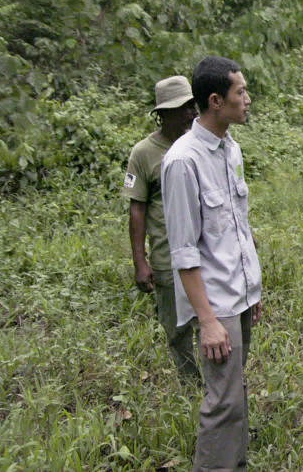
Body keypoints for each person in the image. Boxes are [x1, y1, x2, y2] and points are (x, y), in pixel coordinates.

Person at [162, 56, 262, 472]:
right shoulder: (183, 161)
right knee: (221, 401)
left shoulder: (230, 148)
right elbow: (184, 251)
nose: (248, 100)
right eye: (241, 92)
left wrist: (252, 290)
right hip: (215, 305)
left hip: (238, 296)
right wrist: (207, 320)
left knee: (235, 393)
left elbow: (236, 226)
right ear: (216, 101)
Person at [122, 75, 200, 383]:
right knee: (177, 329)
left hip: (202, 252)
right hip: (167, 258)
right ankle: (191, 385)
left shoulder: (199, 144)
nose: (189, 114)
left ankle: (216, 388)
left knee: (210, 321)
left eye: (191, 106)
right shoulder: (144, 153)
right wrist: (140, 261)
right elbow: (137, 208)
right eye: (182, 108)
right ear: (163, 114)